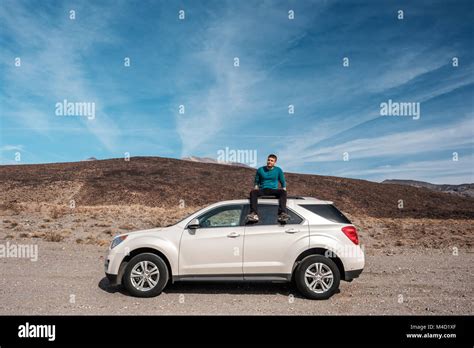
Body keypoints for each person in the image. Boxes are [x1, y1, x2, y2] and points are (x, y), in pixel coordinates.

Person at [247, 154, 290, 223]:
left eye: (272, 161)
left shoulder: (278, 170)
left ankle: (282, 214)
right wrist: (255, 188)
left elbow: (282, 182)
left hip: (273, 190)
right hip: (263, 189)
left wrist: (284, 190)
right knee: (253, 192)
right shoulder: (260, 170)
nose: (269, 162)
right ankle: (254, 214)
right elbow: (256, 182)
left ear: (274, 162)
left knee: (283, 192)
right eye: (268, 160)